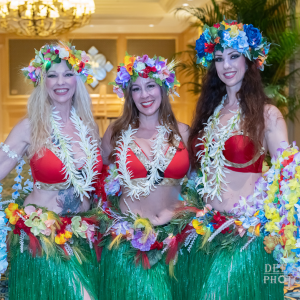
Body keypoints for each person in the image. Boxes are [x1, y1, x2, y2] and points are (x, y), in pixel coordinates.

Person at [172, 20, 289, 300]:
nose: (226, 65)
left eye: (234, 55)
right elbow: (194, 174)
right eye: (219, 58)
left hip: (245, 237)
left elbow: (287, 176)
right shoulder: (208, 114)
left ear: (249, 60)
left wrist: (278, 227)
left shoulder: (267, 114)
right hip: (203, 236)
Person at [0, 41, 103, 300]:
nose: (61, 81)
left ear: (78, 79)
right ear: (41, 81)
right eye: (52, 75)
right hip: (41, 235)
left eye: (68, 74)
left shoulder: (88, 127)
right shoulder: (29, 127)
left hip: (81, 235)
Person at [99, 53, 189, 300]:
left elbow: (200, 185)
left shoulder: (184, 132)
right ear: (129, 95)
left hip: (176, 240)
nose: (145, 95)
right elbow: (94, 171)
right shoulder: (116, 132)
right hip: (126, 242)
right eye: (136, 88)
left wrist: (183, 212)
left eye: (151, 85)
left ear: (163, 88)